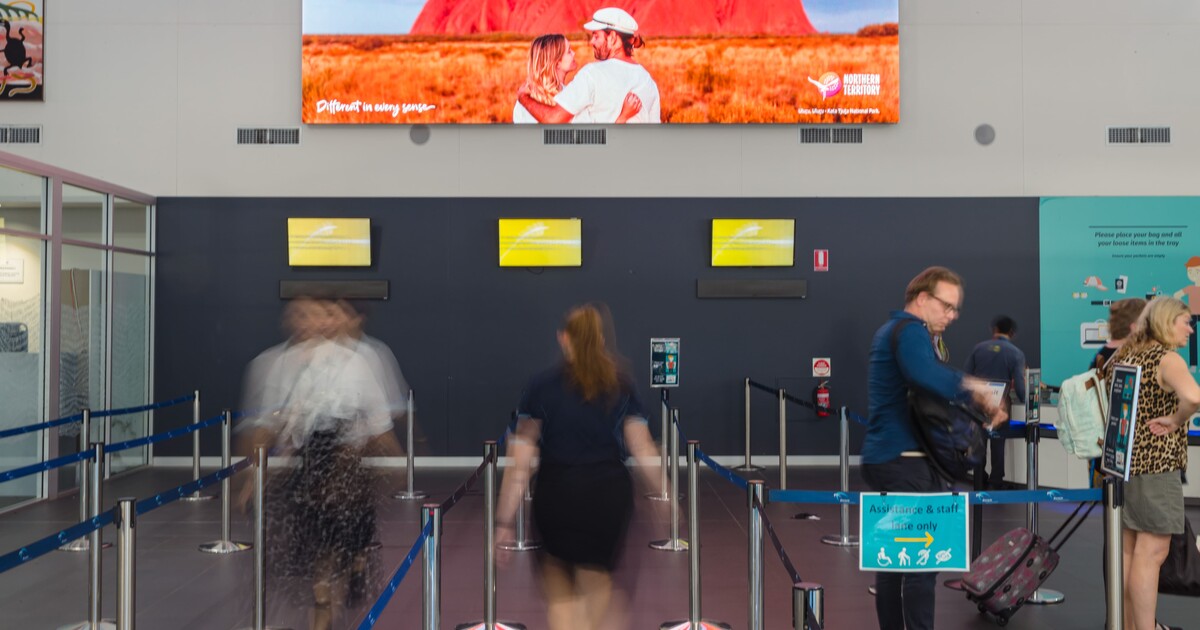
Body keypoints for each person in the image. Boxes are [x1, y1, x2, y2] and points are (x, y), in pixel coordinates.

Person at [496, 304, 662, 630]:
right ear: (600, 339)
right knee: (598, 581)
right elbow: (642, 448)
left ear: (563, 339)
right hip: (607, 497)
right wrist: (665, 495)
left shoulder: (540, 386)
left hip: (557, 495)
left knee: (560, 594)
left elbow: (520, 465)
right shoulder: (622, 385)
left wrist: (503, 521)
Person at [238, 298, 396, 630]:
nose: (320, 323)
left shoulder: (359, 362)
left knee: (334, 556)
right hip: (312, 471)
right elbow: (286, 421)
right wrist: (258, 473)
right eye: (311, 316)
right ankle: (324, 605)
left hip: (345, 475)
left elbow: (378, 420)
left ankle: (336, 592)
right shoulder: (298, 364)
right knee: (318, 563)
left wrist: (388, 459)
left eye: (327, 315)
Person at [861, 266, 1005, 630]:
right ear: (923, 299)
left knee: (894, 563)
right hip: (907, 463)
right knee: (921, 564)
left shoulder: (891, 331)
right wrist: (977, 388)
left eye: (956, 309)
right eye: (947, 306)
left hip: (887, 457)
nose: (952, 315)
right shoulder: (910, 332)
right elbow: (924, 373)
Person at [1101, 298, 1200, 630]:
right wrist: (1175, 418)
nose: (1190, 328)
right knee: (1152, 553)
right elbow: (1195, 398)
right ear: (1166, 321)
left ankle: (1126, 625)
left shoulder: (1126, 354)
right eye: (1185, 321)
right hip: (1157, 467)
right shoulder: (1168, 358)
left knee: (1129, 550)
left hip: (1124, 463)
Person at [516, 8, 661, 124]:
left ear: (613, 38)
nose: (591, 42)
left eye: (596, 36)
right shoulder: (648, 82)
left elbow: (555, 121)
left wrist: (523, 98)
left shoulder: (592, 74)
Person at [513, 33, 643, 124]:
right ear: (557, 62)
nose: (574, 53)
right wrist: (623, 117)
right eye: (569, 51)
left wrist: (623, 116)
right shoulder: (530, 101)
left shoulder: (571, 92)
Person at [963, 315, 1026, 489]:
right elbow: (1020, 387)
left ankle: (979, 479)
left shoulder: (978, 348)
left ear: (994, 330)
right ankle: (996, 481)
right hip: (1001, 405)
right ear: (1011, 333)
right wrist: (1028, 404)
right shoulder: (1016, 353)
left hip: (978, 404)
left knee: (979, 442)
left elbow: (966, 376)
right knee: (998, 443)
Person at [1170, 255, 1200, 372]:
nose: (1193, 274)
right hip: (1193, 315)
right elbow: (1176, 295)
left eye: (1196, 271)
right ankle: (1193, 364)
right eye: (1190, 272)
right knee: (1193, 340)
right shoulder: (1190, 288)